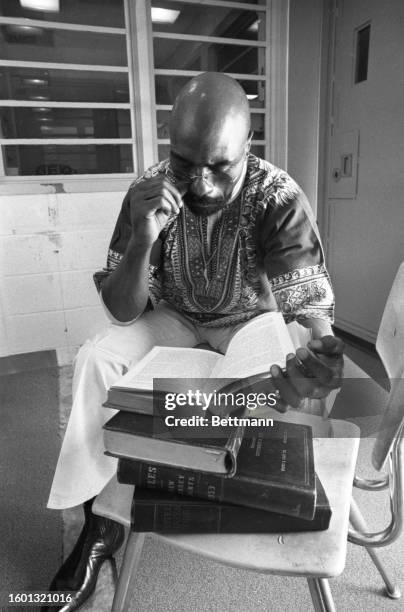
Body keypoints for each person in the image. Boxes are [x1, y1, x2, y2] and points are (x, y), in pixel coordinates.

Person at [43, 72, 343, 611]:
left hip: (249, 322)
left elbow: (308, 305)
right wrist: (142, 237)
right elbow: (121, 308)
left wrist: (322, 348)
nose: (200, 184)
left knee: (269, 380)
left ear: (247, 148)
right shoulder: (150, 189)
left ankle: (216, 486)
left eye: (218, 166)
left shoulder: (275, 194)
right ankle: (99, 527)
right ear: (169, 147)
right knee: (97, 359)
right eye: (185, 163)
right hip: (177, 316)